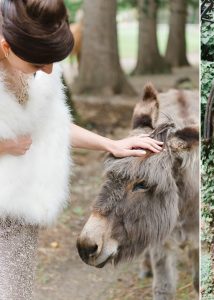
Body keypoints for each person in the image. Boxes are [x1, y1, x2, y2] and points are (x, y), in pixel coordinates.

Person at [0, 1, 162, 299]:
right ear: (6, 48)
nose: (48, 70)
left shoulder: (41, 69)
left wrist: (111, 144)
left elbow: (52, 124)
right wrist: (4, 145)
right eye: (38, 64)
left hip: (15, 210)